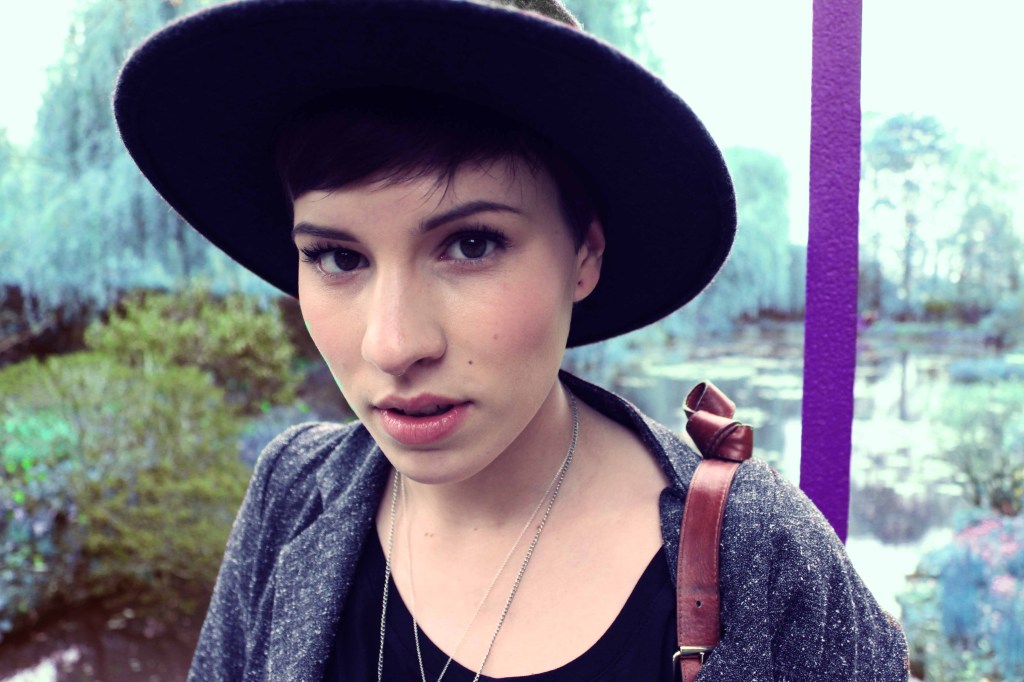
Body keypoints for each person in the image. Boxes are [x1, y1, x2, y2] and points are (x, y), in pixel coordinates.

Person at [114, 1, 909, 680]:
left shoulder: (762, 558)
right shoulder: (294, 494)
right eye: (337, 257)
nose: (393, 344)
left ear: (584, 255)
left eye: (471, 245)